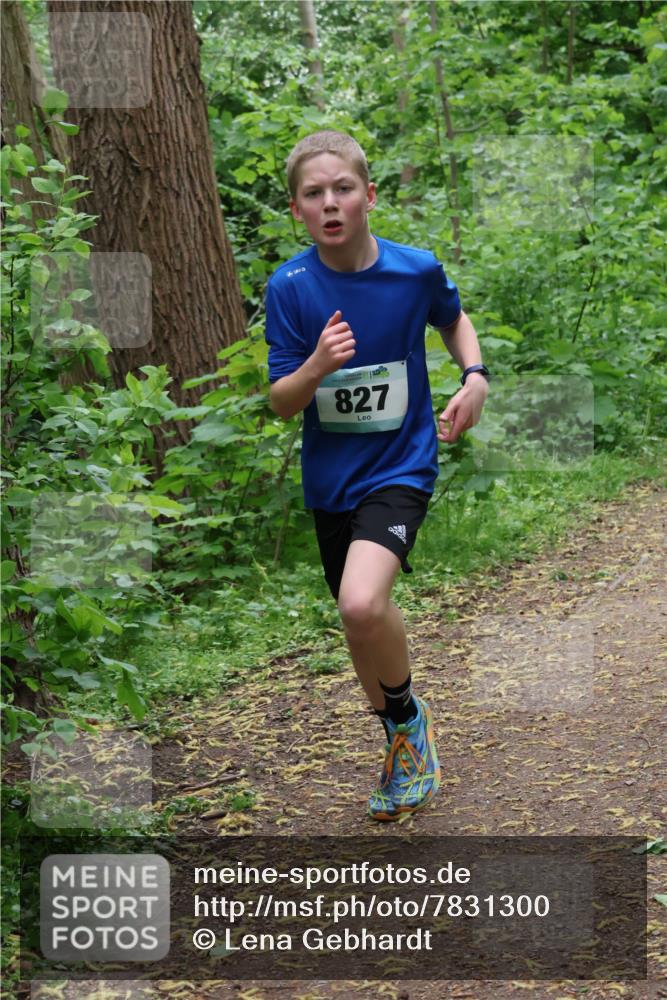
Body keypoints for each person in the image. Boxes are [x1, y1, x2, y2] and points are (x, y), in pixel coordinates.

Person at [264, 130, 489, 821]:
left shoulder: (413, 270)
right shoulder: (291, 287)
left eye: (341, 188)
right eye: (313, 194)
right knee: (358, 620)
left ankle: (407, 727)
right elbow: (281, 402)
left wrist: (473, 376)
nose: (330, 203)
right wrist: (316, 367)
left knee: (362, 604)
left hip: (401, 464)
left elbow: (454, 321)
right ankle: (401, 731)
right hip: (332, 480)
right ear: (298, 210)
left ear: (368, 195)